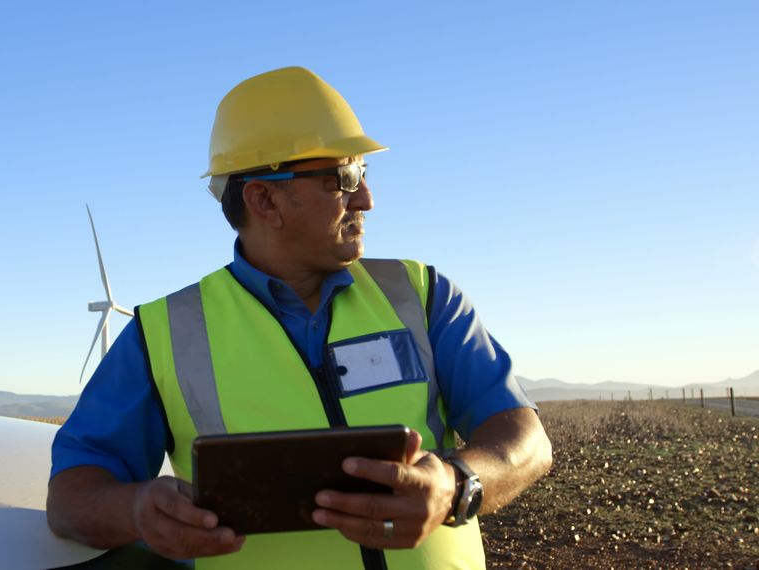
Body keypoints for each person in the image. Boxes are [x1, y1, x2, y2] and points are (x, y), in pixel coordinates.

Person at [47, 66, 553, 569]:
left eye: (365, 174)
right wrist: (137, 511)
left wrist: (457, 486)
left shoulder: (422, 295)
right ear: (264, 198)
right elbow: (71, 499)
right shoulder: (163, 335)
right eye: (344, 178)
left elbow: (526, 439)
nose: (367, 199)